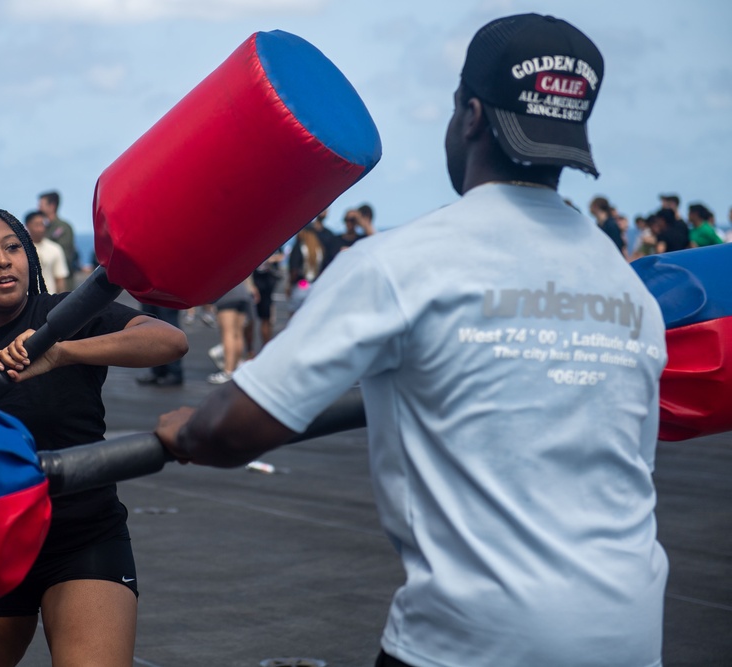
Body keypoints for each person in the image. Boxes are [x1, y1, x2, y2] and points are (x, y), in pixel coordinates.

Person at [153, 14, 668, 667]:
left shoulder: (402, 264)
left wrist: (185, 430)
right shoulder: (628, 293)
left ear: (471, 116)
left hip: (475, 642)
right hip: (631, 635)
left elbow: (233, 430)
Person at [0, 207, 187, 667]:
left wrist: (61, 352)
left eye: (12, 247)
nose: (3, 260)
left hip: (84, 537)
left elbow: (168, 341)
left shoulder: (62, 317)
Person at [206, 277, 257, 385]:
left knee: (228, 334)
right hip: (243, 292)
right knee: (237, 334)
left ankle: (228, 371)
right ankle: (235, 367)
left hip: (227, 292)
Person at [38, 191, 79, 290]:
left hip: (63, 282)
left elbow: (65, 256)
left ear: (52, 206)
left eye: (41, 205)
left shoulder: (63, 228)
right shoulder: (44, 228)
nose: (39, 208)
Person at [24, 210, 69, 294]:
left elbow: (60, 278)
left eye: (42, 225)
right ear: (27, 226)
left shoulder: (55, 249)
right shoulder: (21, 249)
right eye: (36, 225)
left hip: (49, 298)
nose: (40, 229)